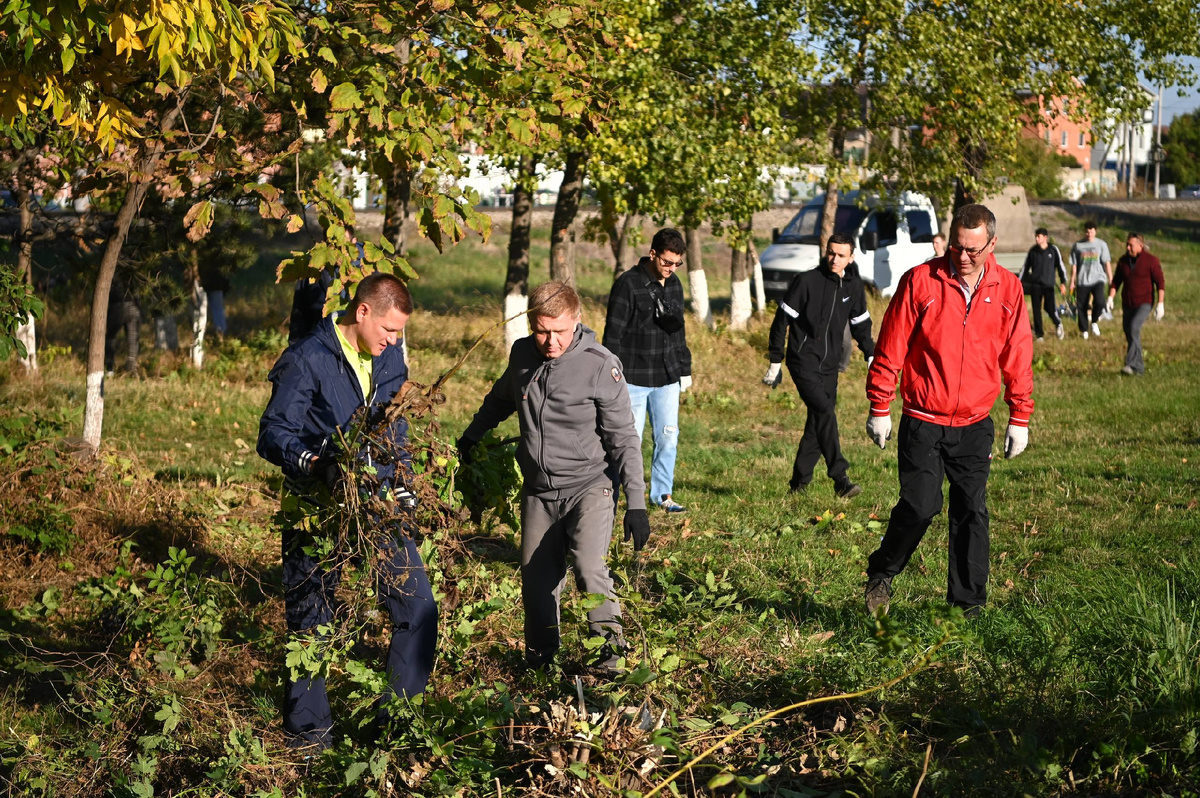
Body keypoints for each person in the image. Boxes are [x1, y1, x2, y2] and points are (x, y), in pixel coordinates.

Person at [258, 273, 436, 750]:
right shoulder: (308, 358)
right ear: (362, 312)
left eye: (399, 333)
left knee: (418, 607)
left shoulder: (389, 356)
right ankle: (310, 740)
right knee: (310, 623)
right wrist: (318, 465)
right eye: (389, 330)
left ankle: (393, 729)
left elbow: (392, 426)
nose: (394, 341)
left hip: (374, 504)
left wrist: (404, 484)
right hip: (314, 508)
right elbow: (273, 433)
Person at [458, 281, 650, 671]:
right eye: (541, 330)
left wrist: (637, 502)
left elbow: (624, 438)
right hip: (539, 492)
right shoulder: (522, 354)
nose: (549, 341)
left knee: (588, 566)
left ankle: (610, 661)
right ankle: (540, 661)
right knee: (536, 580)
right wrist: (471, 437)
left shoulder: (599, 364)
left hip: (590, 485)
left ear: (576, 321)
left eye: (558, 331)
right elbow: (500, 399)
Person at [863, 204, 1033, 617]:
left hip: (975, 424)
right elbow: (891, 346)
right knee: (921, 506)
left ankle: (967, 606)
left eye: (974, 249)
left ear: (992, 244)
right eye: (957, 246)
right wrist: (880, 405)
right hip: (923, 419)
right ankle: (882, 571)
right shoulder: (921, 281)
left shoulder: (1008, 289)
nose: (963, 256)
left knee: (972, 511)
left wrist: (1020, 416)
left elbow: (1017, 354)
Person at [763, 232, 875, 497]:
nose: (834, 259)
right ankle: (840, 478)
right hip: (803, 361)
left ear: (851, 257)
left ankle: (798, 485)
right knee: (825, 412)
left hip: (829, 366)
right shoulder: (806, 281)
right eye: (831, 253)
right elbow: (781, 322)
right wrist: (775, 361)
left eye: (841, 255)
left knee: (817, 423)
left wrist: (871, 354)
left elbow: (860, 324)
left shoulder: (853, 286)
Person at [602, 228, 693, 513]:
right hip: (633, 379)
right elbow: (612, 335)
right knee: (628, 442)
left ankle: (662, 495)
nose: (671, 268)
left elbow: (678, 331)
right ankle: (613, 496)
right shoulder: (628, 284)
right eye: (667, 262)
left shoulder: (675, 284)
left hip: (667, 377)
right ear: (652, 253)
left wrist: (684, 368)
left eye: (677, 263)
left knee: (668, 437)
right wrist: (612, 376)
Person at [1108, 232, 1166, 376]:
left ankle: (1130, 364)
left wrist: (1160, 304)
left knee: (1134, 328)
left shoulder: (1151, 261)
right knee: (1129, 331)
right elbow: (1116, 281)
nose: (1127, 248)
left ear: (1140, 246)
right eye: (1127, 244)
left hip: (1144, 302)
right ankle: (1139, 368)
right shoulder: (1123, 261)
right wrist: (1110, 297)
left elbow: (1160, 283)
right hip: (1128, 302)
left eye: (1130, 245)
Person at [1019, 227, 1068, 340]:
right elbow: (1025, 268)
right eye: (1036, 236)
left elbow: (1060, 267)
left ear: (1045, 238)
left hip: (1048, 285)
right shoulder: (1033, 251)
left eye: (1039, 236)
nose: (1036, 239)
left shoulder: (1053, 250)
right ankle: (1039, 334)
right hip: (1035, 285)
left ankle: (1058, 323)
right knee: (1036, 310)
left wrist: (1063, 282)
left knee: (1049, 308)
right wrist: (1019, 283)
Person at [1069, 221, 1112, 340]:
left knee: (1099, 301)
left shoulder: (1101, 245)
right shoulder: (1078, 246)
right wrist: (1072, 281)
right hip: (1083, 279)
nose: (1089, 234)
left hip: (1098, 278)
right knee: (1081, 306)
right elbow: (1074, 265)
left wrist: (1110, 278)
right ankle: (1084, 330)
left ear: (1095, 231)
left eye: (1091, 231)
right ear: (1084, 232)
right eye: (1087, 232)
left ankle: (1094, 322)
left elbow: (1106, 262)